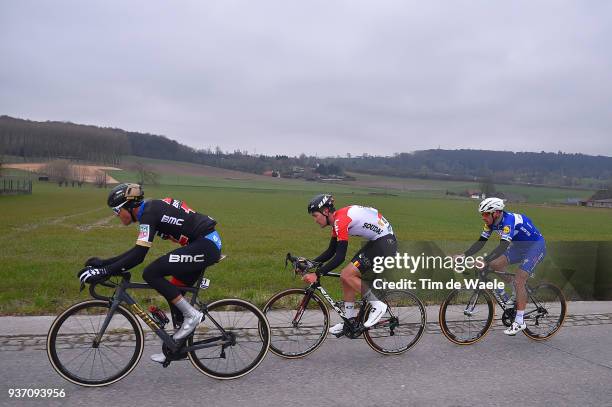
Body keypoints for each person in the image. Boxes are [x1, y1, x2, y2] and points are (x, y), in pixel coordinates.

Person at [77, 183, 221, 362]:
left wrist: (104, 270)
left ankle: (192, 315)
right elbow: (136, 250)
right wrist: (104, 263)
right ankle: (177, 346)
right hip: (201, 244)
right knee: (175, 291)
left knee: (151, 273)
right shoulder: (149, 210)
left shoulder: (149, 213)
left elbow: (139, 256)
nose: (116, 216)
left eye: (116, 211)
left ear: (127, 206)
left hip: (206, 245)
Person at [303, 194, 397, 334]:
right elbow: (331, 251)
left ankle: (377, 305)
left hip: (385, 243)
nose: (315, 220)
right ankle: (349, 320)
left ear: (326, 211)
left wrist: (317, 274)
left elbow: (340, 257)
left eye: (315, 216)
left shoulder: (341, 221)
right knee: (345, 276)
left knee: (347, 274)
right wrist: (309, 264)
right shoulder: (337, 221)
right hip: (378, 241)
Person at [461, 197, 546, 335]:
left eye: (485, 214)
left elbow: (503, 246)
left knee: (520, 280)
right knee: (495, 264)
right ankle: (514, 292)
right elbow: (481, 242)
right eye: (482, 214)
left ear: (496, 213)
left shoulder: (508, 221)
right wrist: (464, 255)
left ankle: (519, 321)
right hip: (519, 247)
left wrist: (484, 260)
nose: (483, 217)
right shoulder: (491, 223)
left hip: (535, 247)